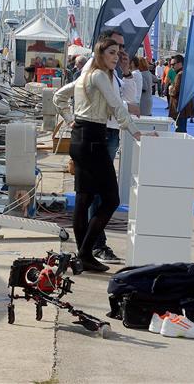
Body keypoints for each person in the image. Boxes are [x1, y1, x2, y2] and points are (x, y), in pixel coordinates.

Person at [56, 37, 142, 272]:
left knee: (83, 199)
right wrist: (136, 133)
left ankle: (83, 254)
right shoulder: (99, 76)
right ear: (100, 54)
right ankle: (85, 252)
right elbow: (116, 105)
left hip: (82, 138)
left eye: (118, 52)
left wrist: (71, 119)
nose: (116, 56)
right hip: (93, 140)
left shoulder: (85, 75)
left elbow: (59, 97)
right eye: (112, 52)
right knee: (111, 199)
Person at [168, 54, 193, 132]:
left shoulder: (180, 75)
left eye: (173, 64)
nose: (171, 66)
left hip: (179, 108)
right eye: (170, 64)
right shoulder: (185, 73)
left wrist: (170, 89)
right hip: (183, 107)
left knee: (180, 131)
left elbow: (175, 91)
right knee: (181, 130)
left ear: (180, 63)